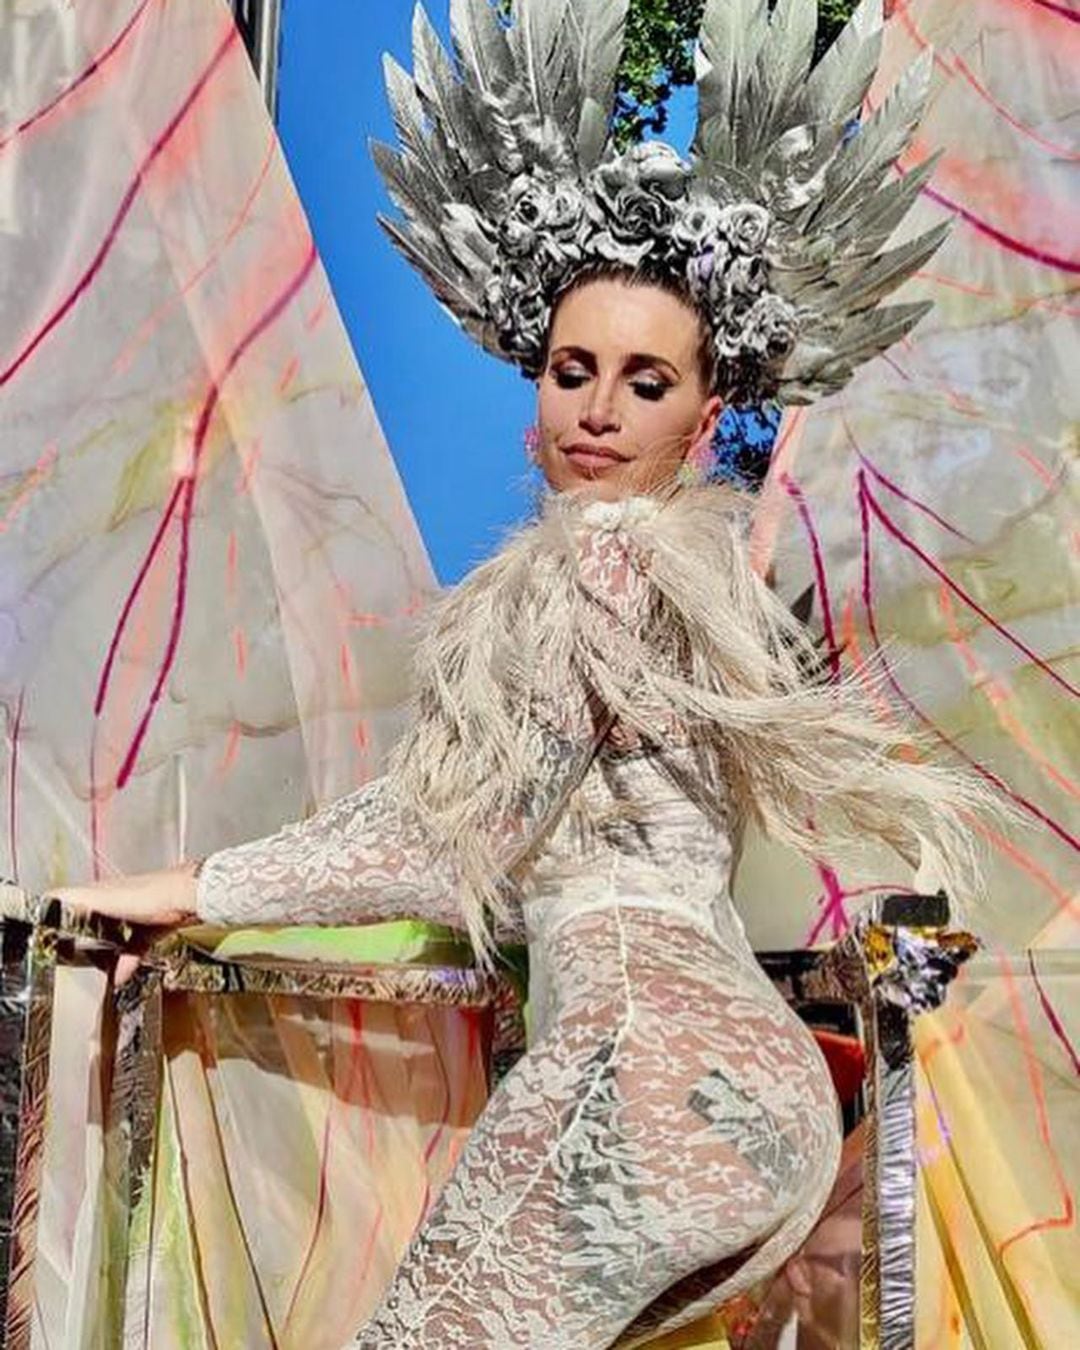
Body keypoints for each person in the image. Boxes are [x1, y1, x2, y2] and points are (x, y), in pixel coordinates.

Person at [45, 1, 1007, 1344]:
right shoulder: (687, 585)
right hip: (725, 1089)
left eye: (645, 381)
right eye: (573, 370)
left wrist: (167, 890)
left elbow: (443, 844)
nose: (600, 410)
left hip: (646, 1079)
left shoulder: (601, 570)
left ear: (708, 412)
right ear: (537, 381)